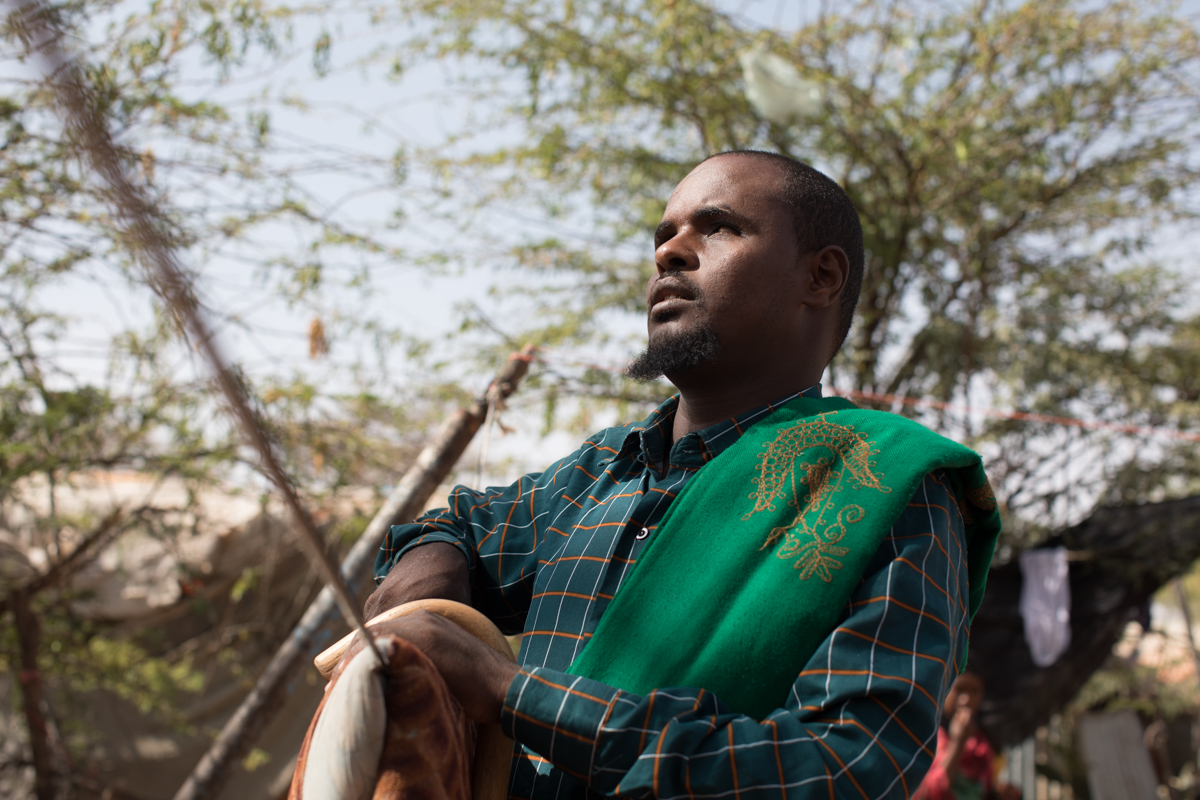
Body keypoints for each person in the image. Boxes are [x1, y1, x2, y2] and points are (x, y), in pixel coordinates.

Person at [346, 150, 1002, 799]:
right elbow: (453, 527)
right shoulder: (598, 471)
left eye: (716, 227)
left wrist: (506, 691)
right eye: (664, 235)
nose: (670, 252)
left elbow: (849, 768)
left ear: (822, 277)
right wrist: (419, 588)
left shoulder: (888, 486)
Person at [914, 673, 1020, 800]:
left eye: (975, 691)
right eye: (959, 689)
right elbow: (928, 793)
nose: (966, 699)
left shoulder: (983, 745)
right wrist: (958, 743)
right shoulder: (923, 734)